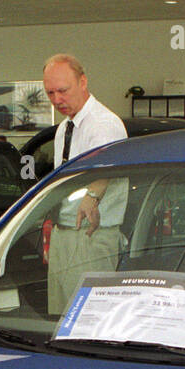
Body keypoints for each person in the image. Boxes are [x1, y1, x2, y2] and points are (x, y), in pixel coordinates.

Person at [41, 54, 127, 313]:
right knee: (59, 320)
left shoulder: (103, 124)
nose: (57, 100)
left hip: (90, 237)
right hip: (64, 235)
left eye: (63, 91)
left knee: (89, 321)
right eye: (50, 93)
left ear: (83, 82)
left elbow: (107, 170)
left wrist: (92, 196)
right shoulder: (64, 128)